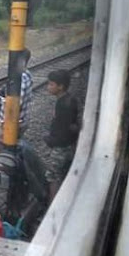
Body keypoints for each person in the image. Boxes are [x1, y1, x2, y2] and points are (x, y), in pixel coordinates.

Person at [44, 69, 80, 201]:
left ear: (61, 86)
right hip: (69, 146)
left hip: (61, 148)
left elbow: (64, 130)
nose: (48, 87)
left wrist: (50, 140)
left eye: (51, 84)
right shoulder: (69, 100)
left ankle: (53, 207)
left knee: (52, 176)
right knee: (64, 173)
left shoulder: (63, 105)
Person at [0, 49, 33, 142]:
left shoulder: (21, 78)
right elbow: (14, 93)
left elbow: (15, 105)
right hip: (18, 121)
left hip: (13, 123)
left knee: (4, 147)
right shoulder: (25, 74)